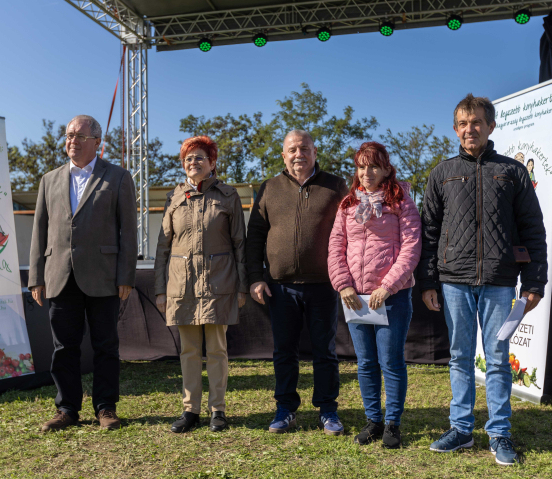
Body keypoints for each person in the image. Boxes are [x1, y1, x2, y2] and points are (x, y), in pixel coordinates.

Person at [418, 94, 547, 465]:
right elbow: (429, 232)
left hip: (499, 281)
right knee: (459, 357)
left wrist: (535, 282)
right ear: (455, 129)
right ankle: (460, 429)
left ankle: (500, 433)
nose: (469, 129)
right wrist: (428, 282)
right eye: (462, 123)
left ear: (490, 126)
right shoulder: (441, 173)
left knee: (497, 358)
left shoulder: (513, 171)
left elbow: (532, 230)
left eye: (476, 122)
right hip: (453, 281)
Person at [29, 114, 138, 432]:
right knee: (65, 347)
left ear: (96, 142)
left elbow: (127, 232)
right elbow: (40, 230)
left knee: (106, 346)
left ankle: (106, 408)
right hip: (60, 275)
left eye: (78, 136)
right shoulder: (49, 180)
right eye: (68, 135)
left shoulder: (117, 177)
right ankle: (67, 409)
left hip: (104, 277)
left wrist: (125, 275)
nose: (71, 141)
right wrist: (36, 276)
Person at [246, 129, 349, 435]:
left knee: (325, 351)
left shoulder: (335, 186)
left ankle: (328, 410)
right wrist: (255, 278)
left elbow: (350, 232)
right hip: (280, 286)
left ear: (315, 152)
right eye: (291, 150)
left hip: (324, 285)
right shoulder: (268, 188)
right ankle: (285, 408)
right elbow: (254, 239)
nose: (298, 154)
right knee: (284, 352)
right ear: (283, 155)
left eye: (304, 148)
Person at [327, 142, 421, 448]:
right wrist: (343, 285)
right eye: (361, 166)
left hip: (390, 298)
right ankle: (373, 421)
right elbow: (335, 248)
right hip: (356, 299)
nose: (367, 173)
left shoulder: (402, 200)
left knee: (391, 361)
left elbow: (411, 247)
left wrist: (388, 286)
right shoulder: (347, 205)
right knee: (366, 363)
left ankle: (393, 423)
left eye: (373, 166)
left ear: (386, 169)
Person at [154, 135, 248, 433]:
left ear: (212, 163)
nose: (192, 163)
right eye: (187, 159)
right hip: (182, 286)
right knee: (189, 350)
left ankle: (217, 410)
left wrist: (242, 287)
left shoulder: (228, 195)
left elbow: (240, 245)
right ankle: (190, 410)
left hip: (219, 283)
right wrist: (160, 290)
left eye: (199, 158)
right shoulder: (174, 197)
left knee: (218, 349)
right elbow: (162, 249)